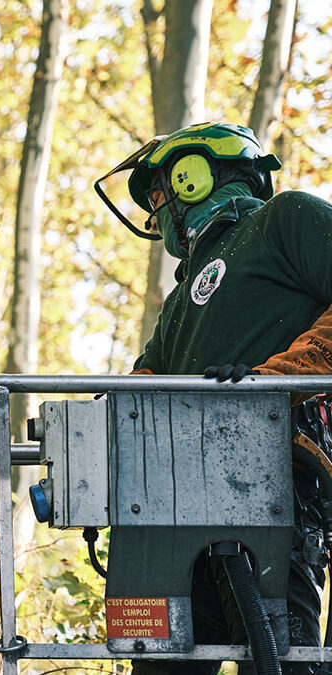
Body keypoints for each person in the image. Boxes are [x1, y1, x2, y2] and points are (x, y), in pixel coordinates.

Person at [95, 121, 332, 674]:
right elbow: (146, 382)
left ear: (194, 175)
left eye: (158, 193)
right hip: (172, 505)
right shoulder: (180, 301)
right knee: (160, 661)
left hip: (279, 478)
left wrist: (277, 379)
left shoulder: (285, 219)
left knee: (284, 659)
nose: (155, 213)